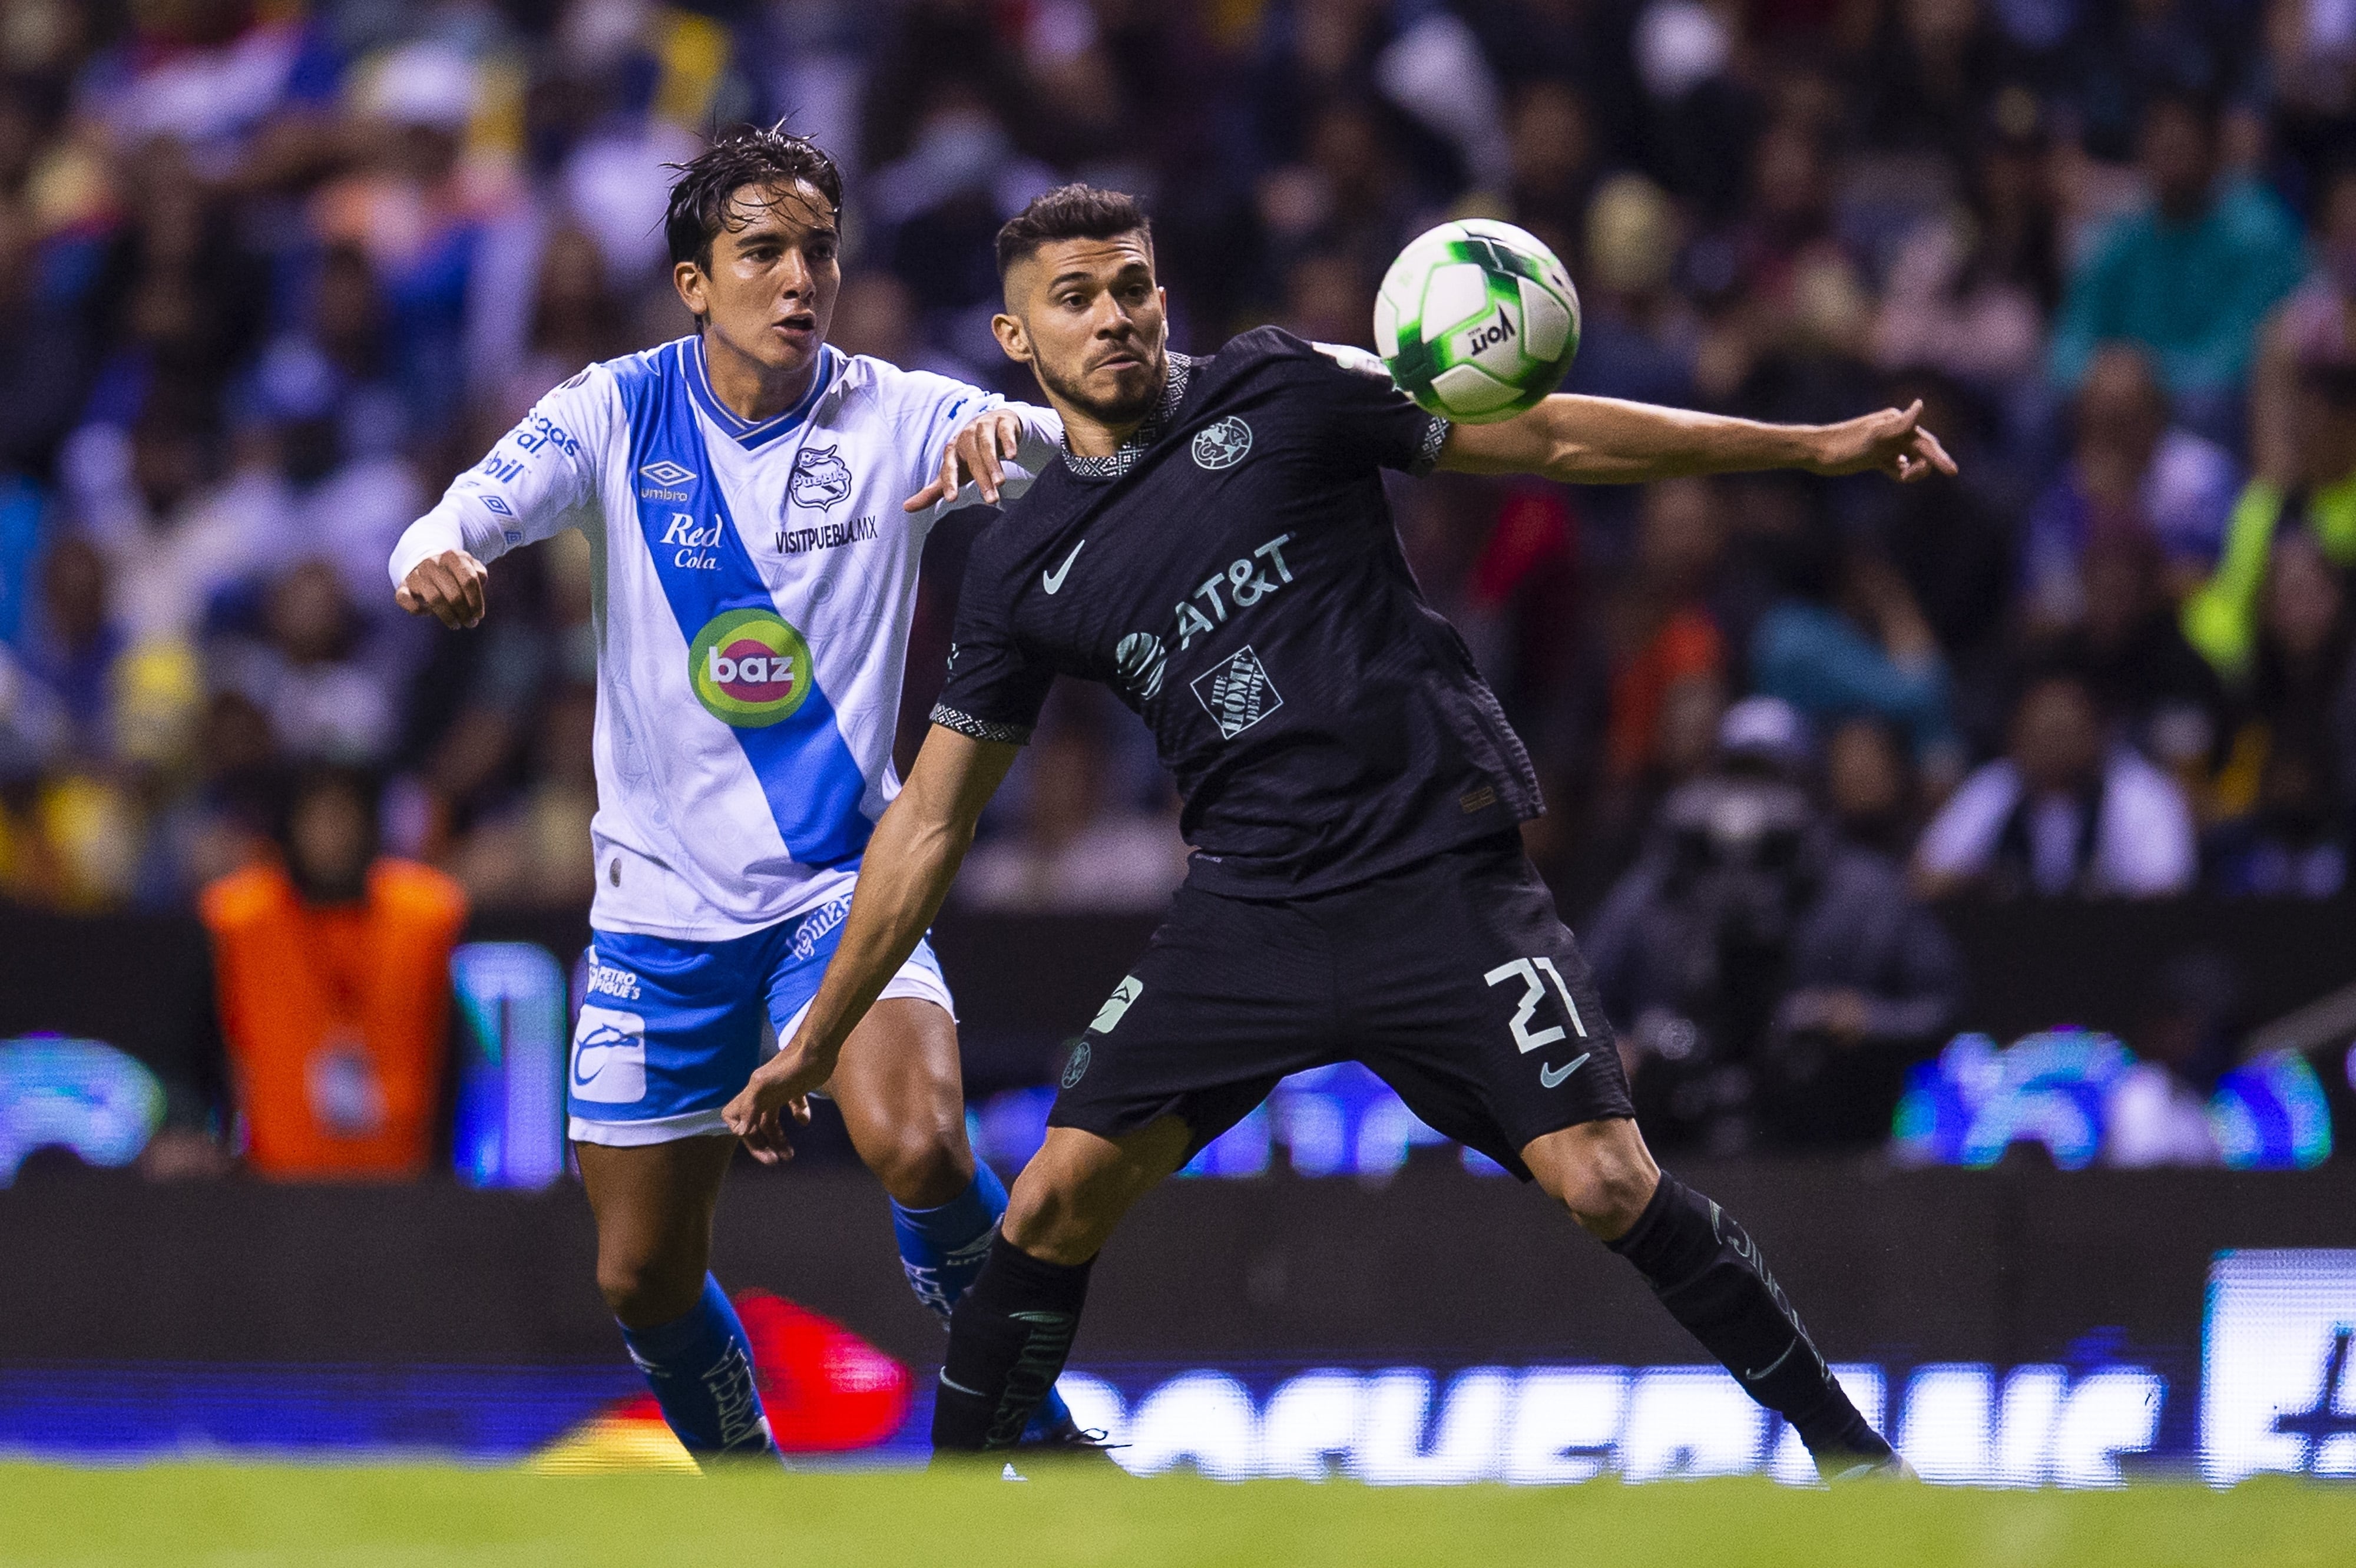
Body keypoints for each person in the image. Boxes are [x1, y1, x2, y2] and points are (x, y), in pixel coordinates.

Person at [724, 184, 1954, 1474]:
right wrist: (815, 1040)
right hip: (1249, 910)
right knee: (1051, 1198)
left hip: (1436, 874)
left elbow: (1547, 436)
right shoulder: (1020, 562)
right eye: (1074, 299)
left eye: (1132, 286)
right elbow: (930, 819)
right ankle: (950, 1511)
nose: (1114, 317)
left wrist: (1810, 447)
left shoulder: (1282, 384)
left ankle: (1856, 1462)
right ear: (1016, 337)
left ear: (1164, 296)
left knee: (1605, 1179)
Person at [386, 125, 1086, 1463]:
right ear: (693, 284)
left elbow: (1054, 442)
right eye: (761, 252)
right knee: (640, 1276)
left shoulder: (896, 412)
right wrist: (433, 557)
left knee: (923, 1142)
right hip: (659, 923)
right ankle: (751, 1494)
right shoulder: (613, 410)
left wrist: (1025, 431)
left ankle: (1037, 1435)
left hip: (839, 890)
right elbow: (456, 512)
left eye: (819, 250)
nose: (799, 278)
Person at [1584, 698, 1963, 1153]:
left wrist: (1862, 1020)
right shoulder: (1659, 888)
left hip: (1832, 1151)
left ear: (1810, 788)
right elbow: (1579, 1005)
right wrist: (1623, 1050)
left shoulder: (1869, 893)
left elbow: (1944, 1009)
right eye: (1738, 778)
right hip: (1674, 1151)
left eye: (1772, 780)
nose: (1754, 802)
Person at [198, 766, 466, 1179]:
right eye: (317, 820)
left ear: (369, 825)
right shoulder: (238, 918)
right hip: (278, 1178)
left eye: (343, 818)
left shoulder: (428, 915)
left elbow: (454, 1054)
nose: (332, 837)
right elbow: (202, 1050)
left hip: (400, 1177)